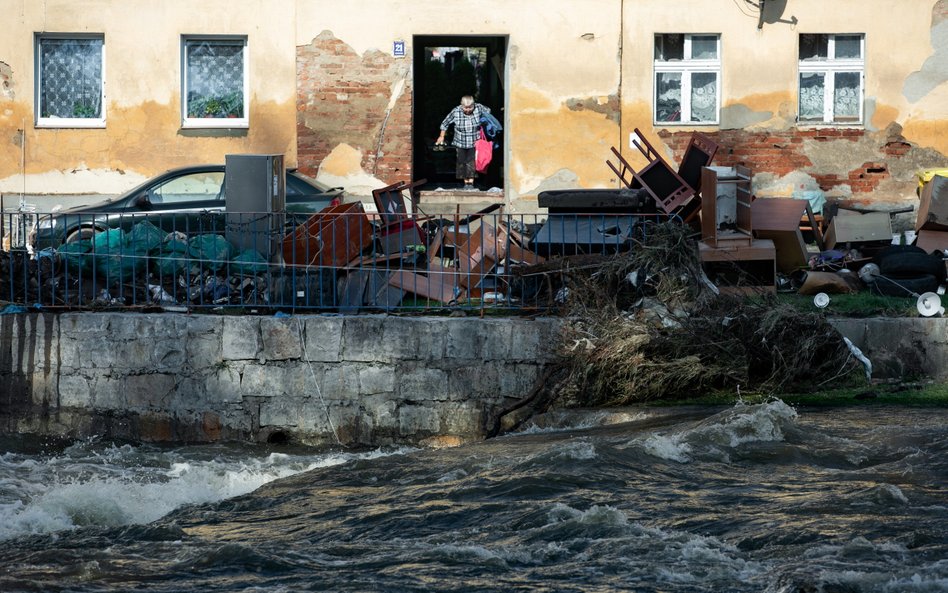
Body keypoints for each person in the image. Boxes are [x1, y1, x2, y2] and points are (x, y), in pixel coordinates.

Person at [436, 95, 491, 191]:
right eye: (465, 107)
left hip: (475, 141)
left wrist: (485, 121)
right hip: (460, 141)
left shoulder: (478, 107)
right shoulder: (456, 111)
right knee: (462, 161)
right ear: (461, 105)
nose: (468, 110)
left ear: (473, 105)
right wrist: (441, 136)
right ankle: (466, 182)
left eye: (470, 107)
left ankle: (471, 182)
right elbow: (445, 123)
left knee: (472, 161)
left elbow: (489, 112)